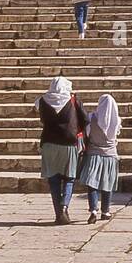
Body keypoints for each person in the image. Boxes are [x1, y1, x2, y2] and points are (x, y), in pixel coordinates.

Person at [36, 76, 89, 224]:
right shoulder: (73, 100)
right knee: (69, 178)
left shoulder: (42, 100)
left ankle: (58, 213)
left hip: (48, 143)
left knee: (53, 180)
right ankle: (64, 206)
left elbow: (42, 119)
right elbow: (85, 119)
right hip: (68, 143)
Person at [78, 93, 121, 223]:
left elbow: (87, 134)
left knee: (93, 184)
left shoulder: (91, 118)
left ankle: (93, 210)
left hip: (93, 154)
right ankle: (106, 211)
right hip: (110, 155)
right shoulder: (117, 120)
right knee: (107, 184)